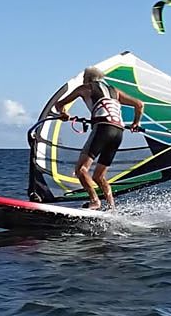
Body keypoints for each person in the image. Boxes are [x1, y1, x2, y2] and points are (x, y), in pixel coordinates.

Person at [52, 67, 144, 210]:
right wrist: (135, 123)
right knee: (99, 176)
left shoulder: (85, 88)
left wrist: (64, 114)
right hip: (118, 132)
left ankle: (95, 201)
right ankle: (112, 207)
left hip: (103, 129)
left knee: (81, 169)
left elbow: (59, 104)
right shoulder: (114, 91)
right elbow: (139, 104)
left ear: (87, 78)